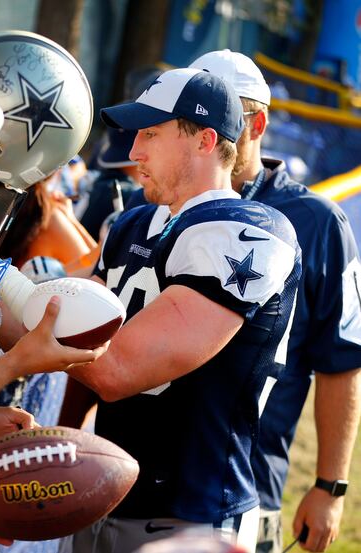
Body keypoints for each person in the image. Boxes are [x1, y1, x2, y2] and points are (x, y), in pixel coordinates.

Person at [60, 68, 301, 553]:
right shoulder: (131, 224)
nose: (133, 153)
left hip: (189, 514)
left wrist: (11, 294)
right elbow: (67, 327)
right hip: (103, 487)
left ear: (205, 140)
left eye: (150, 133)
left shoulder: (250, 232)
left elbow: (115, 368)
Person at [188, 49, 361, 553]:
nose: (207, 134)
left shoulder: (319, 222)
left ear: (256, 122)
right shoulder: (159, 200)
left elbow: (342, 362)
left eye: (222, 118)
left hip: (244, 486)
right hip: (142, 471)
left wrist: (331, 486)